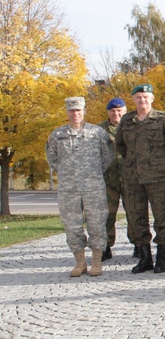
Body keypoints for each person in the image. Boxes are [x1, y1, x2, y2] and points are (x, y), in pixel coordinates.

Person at [116, 84, 165, 274]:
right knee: (137, 218)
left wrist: (158, 160)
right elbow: (120, 145)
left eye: (145, 97)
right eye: (138, 97)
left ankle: (161, 257)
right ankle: (145, 257)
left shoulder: (162, 119)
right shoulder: (127, 120)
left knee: (161, 216)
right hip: (133, 177)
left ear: (152, 99)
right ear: (134, 99)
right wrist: (133, 160)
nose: (142, 100)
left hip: (158, 177)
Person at [46, 97, 114, 277]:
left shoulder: (97, 133)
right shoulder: (57, 135)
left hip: (93, 187)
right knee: (72, 225)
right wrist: (66, 174)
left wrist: (93, 173)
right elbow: (52, 158)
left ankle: (97, 262)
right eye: (71, 110)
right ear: (67, 112)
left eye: (78, 110)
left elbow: (107, 157)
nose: (75, 114)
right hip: (68, 189)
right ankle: (80, 262)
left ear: (84, 111)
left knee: (97, 223)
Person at [98, 97, 133, 262]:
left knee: (134, 213)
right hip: (108, 179)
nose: (116, 113)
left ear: (125, 111)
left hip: (130, 178)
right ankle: (105, 246)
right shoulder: (99, 131)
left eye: (119, 110)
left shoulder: (132, 126)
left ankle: (138, 244)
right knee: (107, 215)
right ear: (108, 112)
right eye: (113, 110)